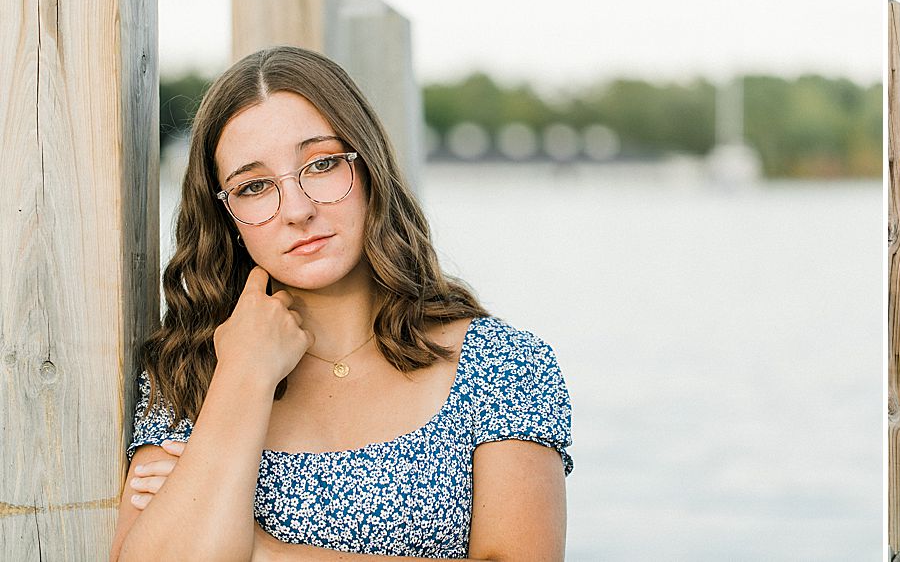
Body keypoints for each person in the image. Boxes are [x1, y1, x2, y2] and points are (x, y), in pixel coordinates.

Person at [110, 46, 572, 561]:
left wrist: (258, 551)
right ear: (227, 218)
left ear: (370, 167)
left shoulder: (500, 365)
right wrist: (244, 376)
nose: (298, 210)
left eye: (322, 163)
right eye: (255, 186)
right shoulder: (189, 371)